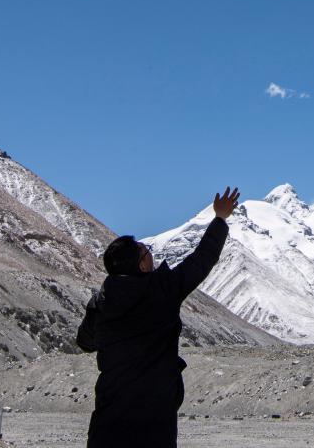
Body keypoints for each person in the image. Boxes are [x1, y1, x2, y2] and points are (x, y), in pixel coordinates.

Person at [77, 186, 239, 448]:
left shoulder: (102, 302)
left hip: (109, 419)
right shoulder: (162, 290)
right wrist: (220, 219)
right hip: (155, 419)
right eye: (146, 251)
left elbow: (85, 342)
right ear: (141, 264)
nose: (151, 255)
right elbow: (202, 260)